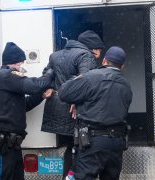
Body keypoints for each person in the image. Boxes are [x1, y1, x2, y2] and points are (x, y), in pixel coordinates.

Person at [58, 46, 133, 180]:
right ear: (122, 66)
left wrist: (78, 78)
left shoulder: (90, 77)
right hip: (116, 143)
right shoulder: (126, 85)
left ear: (104, 60)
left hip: (92, 142)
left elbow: (64, 93)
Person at [0, 42, 53, 180]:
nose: (22, 67)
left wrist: (41, 96)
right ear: (15, 62)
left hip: (10, 143)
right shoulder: (6, 75)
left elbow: (24, 105)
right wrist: (50, 73)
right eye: (21, 63)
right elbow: (34, 86)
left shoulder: (7, 79)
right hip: (1, 142)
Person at [41, 30, 105, 178]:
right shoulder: (85, 56)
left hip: (56, 110)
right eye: (99, 49)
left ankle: (67, 176)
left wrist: (49, 87)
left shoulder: (55, 55)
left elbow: (46, 76)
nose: (100, 53)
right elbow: (85, 81)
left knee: (72, 146)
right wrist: (75, 100)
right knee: (79, 148)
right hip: (74, 111)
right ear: (92, 47)